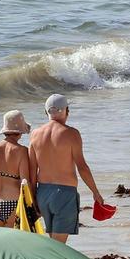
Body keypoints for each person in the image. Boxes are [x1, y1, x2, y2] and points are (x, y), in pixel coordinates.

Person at [30, 95, 112, 243]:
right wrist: (95, 192)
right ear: (66, 111)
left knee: (54, 242)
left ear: (46, 112)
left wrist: (33, 196)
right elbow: (82, 167)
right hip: (64, 194)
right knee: (59, 246)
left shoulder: (35, 134)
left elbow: (32, 170)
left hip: (42, 193)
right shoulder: (71, 134)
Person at [0, 111, 36, 228]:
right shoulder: (22, 151)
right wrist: (34, 204)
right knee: (15, 242)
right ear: (20, 132)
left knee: (0, 243)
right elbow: (24, 182)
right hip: (12, 202)